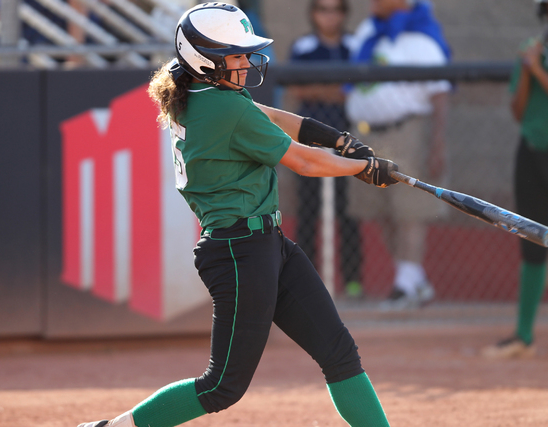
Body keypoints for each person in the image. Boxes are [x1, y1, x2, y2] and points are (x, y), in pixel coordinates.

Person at [77, 3, 398, 427]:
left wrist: (338, 140)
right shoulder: (220, 107)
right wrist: (364, 169)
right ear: (204, 58)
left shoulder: (210, 92)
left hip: (268, 244)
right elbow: (304, 163)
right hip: (238, 251)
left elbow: (271, 116)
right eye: (237, 54)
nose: (247, 62)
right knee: (221, 387)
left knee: (338, 351)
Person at [345, 0, 451, 310]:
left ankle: (405, 286)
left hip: (406, 131)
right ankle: (413, 280)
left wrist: (438, 143)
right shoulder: (368, 30)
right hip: (365, 135)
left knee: (409, 210)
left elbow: (440, 93)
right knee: (380, 209)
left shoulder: (422, 36)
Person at [481, 0, 548, 359]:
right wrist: (526, 70)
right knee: (532, 239)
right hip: (533, 149)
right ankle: (523, 335)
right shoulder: (531, 50)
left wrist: (537, 69)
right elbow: (519, 110)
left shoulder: (537, 59)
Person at [288, 0, 364, 299]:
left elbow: (359, 89)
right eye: (322, 8)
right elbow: (296, 89)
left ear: (344, 14)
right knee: (308, 213)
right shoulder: (303, 47)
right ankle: (307, 282)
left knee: (349, 213)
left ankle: (354, 282)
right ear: (313, 13)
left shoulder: (356, 45)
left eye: (335, 9)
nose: (328, 15)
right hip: (310, 142)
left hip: (350, 142)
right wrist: (336, 90)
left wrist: (321, 89)